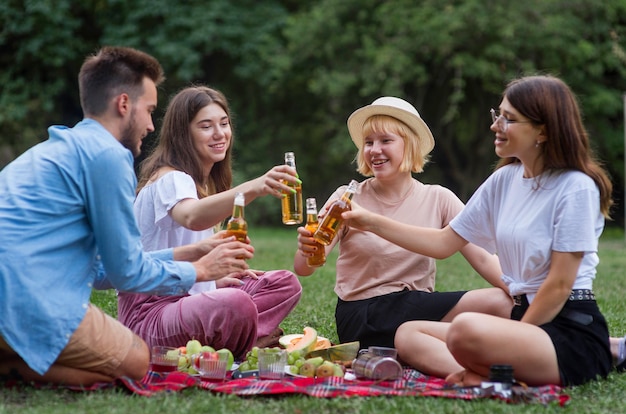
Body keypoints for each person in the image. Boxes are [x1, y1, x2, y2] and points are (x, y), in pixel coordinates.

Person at [0, 47, 256, 385]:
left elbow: (103, 271)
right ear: (124, 104)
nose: (151, 126)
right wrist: (199, 270)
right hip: (25, 298)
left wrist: (185, 253)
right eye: (149, 110)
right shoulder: (107, 156)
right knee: (138, 361)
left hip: (15, 290)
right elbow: (126, 272)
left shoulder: (60, 149)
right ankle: (11, 365)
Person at [343, 76, 618, 387]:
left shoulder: (576, 187)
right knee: (407, 334)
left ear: (542, 130)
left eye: (508, 119)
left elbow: (559, 285)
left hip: (566, 327)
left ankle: (493, 374)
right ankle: (483, 376)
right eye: (497, 115)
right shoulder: (505, 180)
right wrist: (368, 221)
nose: (495, 125)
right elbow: (443, 243)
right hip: (524, 317)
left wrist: (515, 334)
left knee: (466, 330)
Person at [294, 96, 512, 350]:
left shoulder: (439, 198)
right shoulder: (347, 198)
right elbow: (304, 268)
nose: (374, 150)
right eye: (368, 142)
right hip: (361, 315)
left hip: (416, 307)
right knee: (495, 308)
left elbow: (484, 258)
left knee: (506, 302)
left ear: (410, 146)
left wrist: (523, 292)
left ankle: (464, 356)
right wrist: (307, 248)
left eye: (386, 140)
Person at [118, 85, 302, 360]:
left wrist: (213, 285)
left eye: (224, 123)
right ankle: (250, 341)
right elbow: (191, 216)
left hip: (187, 300)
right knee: (236, 303)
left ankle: (237, 337)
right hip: (150, 316)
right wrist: (255, 186)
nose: (219, 134)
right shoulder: (171, 178)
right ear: (184, 134)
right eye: (206, 126)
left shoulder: (199, 184)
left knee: (284, 284)